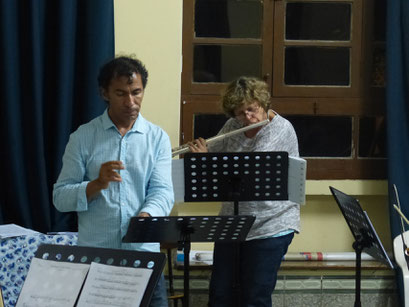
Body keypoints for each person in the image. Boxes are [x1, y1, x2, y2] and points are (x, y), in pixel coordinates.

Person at [53, 56, 174, 307]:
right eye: (121, 93)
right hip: (97, 260)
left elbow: (163, 191)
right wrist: (96, 183)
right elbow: (60, 198)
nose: (131, 102)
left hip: (144, 256)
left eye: (136, 92)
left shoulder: (157, 138)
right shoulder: (83, 137)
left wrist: (147, 215)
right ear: (104, 93)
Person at [188, 76, 300, 307]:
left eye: (252, 109)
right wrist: (200, 154)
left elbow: (250, 168)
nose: (248, 118)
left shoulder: (279, 129)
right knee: (220, 294)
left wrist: (208, 162)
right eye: (240, 113)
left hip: (271, 224)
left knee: (254, 297)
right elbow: (214, 151)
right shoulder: (234, 125)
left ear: (263, 103)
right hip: (232, 224)